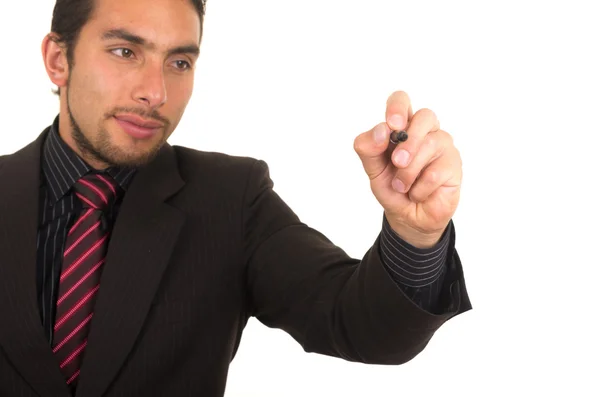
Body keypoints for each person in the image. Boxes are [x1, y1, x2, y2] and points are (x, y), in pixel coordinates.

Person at [0, 0, 472, 396]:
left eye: (180, 62)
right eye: (125, 51)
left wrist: (416, 235)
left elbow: (364, 327)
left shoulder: (230, 197)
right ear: (58, 59)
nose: (156, 92)